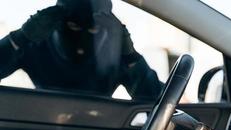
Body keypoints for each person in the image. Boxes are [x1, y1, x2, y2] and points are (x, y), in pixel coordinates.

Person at [0, 0, 163, 100]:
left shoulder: (113, 53)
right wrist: (18, 39)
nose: (82, 38)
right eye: (73, 26)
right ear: (58, 24)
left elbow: (154, 100)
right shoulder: (37, 45)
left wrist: (131, 56)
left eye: (93, 29)